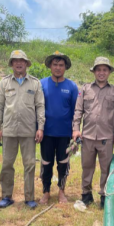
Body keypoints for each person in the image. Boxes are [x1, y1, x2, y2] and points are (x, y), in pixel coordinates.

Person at [0, 50, 45, 209]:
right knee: (7, 164)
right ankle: (6, 196)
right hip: (9, 130)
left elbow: (40, 106)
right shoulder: (4, 83)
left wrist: (40, 127)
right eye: (15, 61)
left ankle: (29, 198)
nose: (18, 63)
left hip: (28, 130)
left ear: (26, 63)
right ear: (11, 64)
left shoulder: (35, 83)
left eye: (21, 60)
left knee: (29, 164)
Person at [72, 57, 114, 209]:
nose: (101, 73)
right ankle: (86, 194)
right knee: (87, 167)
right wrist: (76, 129)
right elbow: (78, 110)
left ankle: (104, 196)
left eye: (105, 70)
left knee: (106, 169)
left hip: (106, 137)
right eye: (99, 70)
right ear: (94, 72)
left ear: (109, 72)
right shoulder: (85, 89)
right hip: (87, 136)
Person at [39, 51, 78, 204]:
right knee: (46, 163)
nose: (57, 67)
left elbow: (76, 111)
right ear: (50, 66)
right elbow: (37, 108)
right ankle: (46, 192)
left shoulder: (72, 86)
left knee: (63, 163)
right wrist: (38, 128)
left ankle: (62, 191)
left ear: (65, 67)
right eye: (55, 64)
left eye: (61, 65)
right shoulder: (41, 84)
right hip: (46, 132)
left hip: (65, 133)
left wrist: (75, 131)